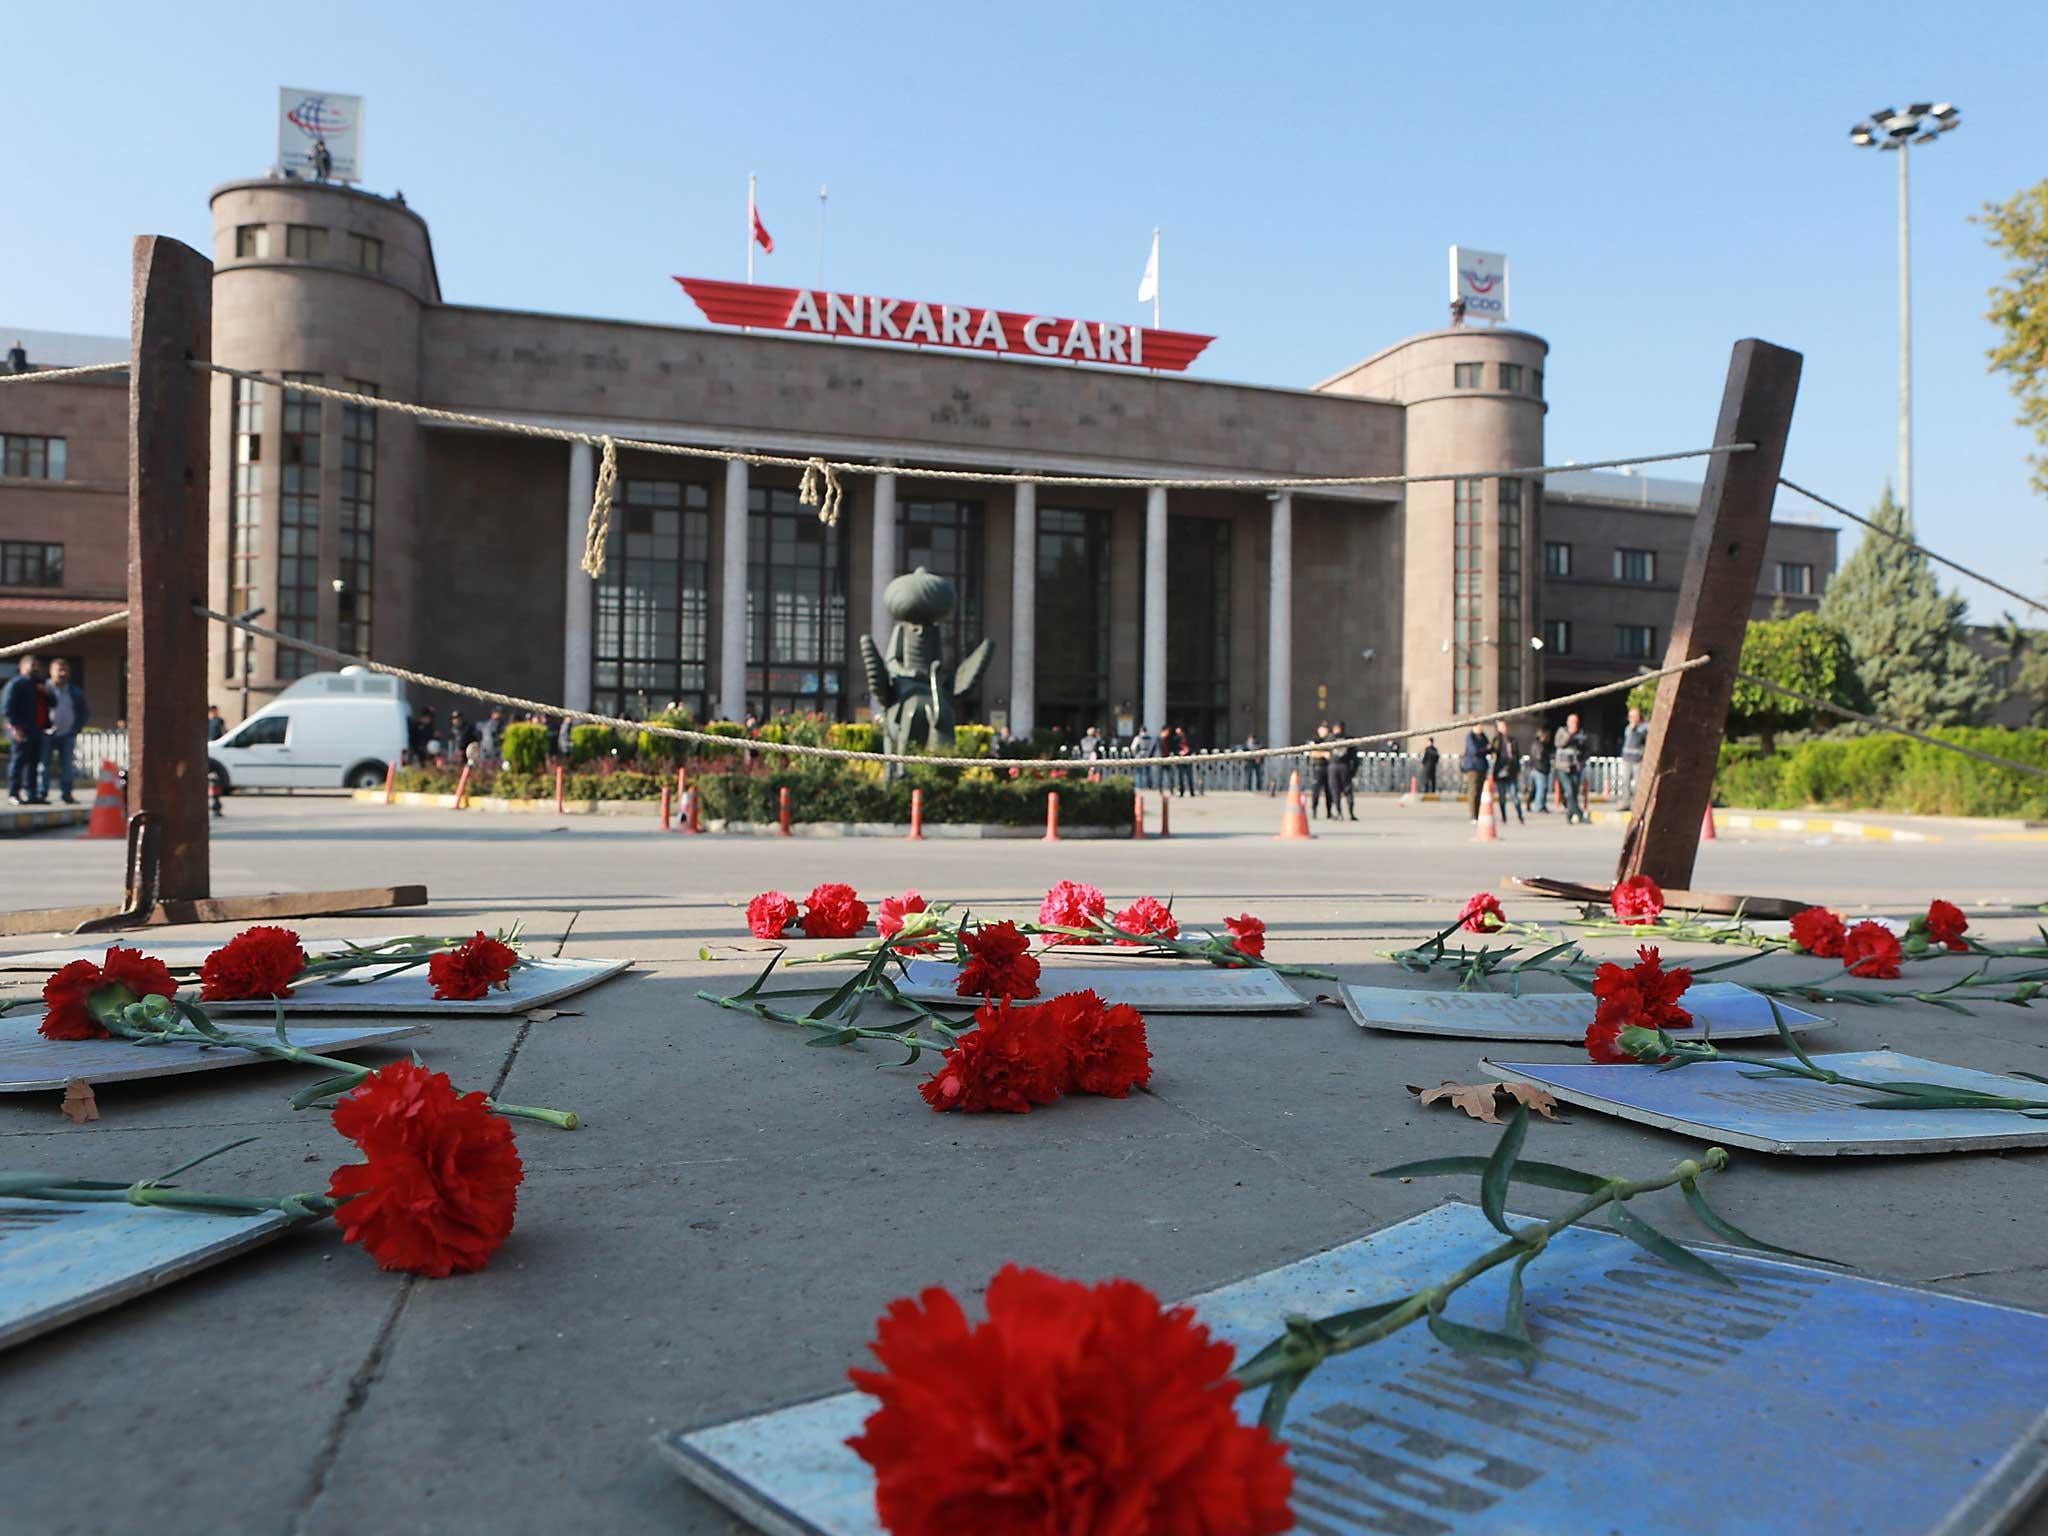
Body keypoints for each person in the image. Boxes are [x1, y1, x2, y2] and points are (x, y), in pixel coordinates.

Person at [42, 658, 89, 804]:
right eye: (59, 670)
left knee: (67, 765)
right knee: (43, 765)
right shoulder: (43, 689)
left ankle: (66, 793)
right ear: (51, 671)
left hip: (67, 734)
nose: (62, 673)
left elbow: (84, 712)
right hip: (46, 733)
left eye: (65, 670)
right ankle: (41, 793)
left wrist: (76, 728)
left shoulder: (74, 691)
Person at [4, 655, 47, 804]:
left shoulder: (38, 685)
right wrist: (15, 727)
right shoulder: (17, 683)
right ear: (22, 667)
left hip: (36, 729)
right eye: (32, 665)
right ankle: (13, 793)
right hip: (21, 729)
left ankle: (32, 794)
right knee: (18, 762)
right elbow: (7, 707)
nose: (35, 668)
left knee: (33, 764)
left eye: (37, 665)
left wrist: (45, 691)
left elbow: (52, 703)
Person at [1554, 712, 1590, 825]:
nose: (1574, 724)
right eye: (1572, 722)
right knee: (1568, 791)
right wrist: (1570, 734)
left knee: (1574, 793)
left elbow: (1586, 748)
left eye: (1576, 722)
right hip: (1563, 767)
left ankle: (1570, 815)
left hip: (1575, 767)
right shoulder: (1562, 731)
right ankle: (1579, 814)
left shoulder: (1581, 733)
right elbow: (1559, 744)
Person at [1490, 718, 1524, 827]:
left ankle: (1520, 816)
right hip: (1500, 771)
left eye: (1504, 726)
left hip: (1511, 771)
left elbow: (1517, 755)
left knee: (1514, 795)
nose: (1503, 728)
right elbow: (1493, 750)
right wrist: (1499, 736)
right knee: (1502, 796)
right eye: (1501, 726)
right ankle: (1504, 817)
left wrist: (1518, 769)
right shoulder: (1496, 740)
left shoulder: (1512, 740)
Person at [1458, 723, 1492, 823]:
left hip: (1482, 767)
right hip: (1472, 767)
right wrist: (1485, 749)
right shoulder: (1470, 736)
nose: (1481, 728)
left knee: (1481, 792)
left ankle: (1479, 814)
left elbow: (1489, 748)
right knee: (1473, 792)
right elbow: (1474, 751)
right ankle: (1473, 816)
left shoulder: (1483, 736)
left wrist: (1486, 749)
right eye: (1479, 725)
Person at [1619, 706, 1650, 811]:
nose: (1631, 719)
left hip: (1637, 759)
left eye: (1634, 716)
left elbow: (1642, 737)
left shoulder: (1643, 728)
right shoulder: (1628, 728)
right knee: (1625, 781)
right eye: (1630, 716)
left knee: (1637, 784)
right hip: (1627, 758)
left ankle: (1637, 805)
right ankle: (1625, 802)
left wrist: (1636, 728)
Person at [1328, 721, 1358, 821]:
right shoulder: (1349, 739)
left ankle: (1339, 812)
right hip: (1345, 766)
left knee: (1335, 791)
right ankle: (1351, 813)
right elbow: (1355, 757)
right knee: (1348, 790)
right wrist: (1354, 770)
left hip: (1333, 766)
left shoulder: (1330, 739)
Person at [1526, 723, 1554, 813]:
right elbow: (1539, 756)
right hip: (1539, 769)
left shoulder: (1541, 745)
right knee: (1541, 789)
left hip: (1540, 769)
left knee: (1537, 789)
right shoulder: (1539, 745)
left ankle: (1538, 804)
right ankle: (1539, 806)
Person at [1129, 726, 1154, 790]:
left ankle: (1138, 786)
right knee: (1148, 772)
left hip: (1139, 756)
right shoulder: (1149, 738)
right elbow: (1152, 747)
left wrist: (1135, 755)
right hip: (1148, 756)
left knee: (1138, 772)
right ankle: (1149, 785)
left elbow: (1133, 748)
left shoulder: (1138, 738)